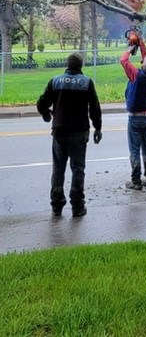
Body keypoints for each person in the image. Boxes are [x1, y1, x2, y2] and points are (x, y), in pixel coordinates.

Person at [37, 53, 102, 217]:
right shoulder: (86, 82)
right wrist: (98, 128)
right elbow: (94, 108)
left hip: (59, 131)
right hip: (79, 132)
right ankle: (77, 206)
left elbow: (42, 102)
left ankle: (57, 205)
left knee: (58, 169)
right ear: (81, 66)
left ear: (67, 64)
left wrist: (45, 113)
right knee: (78, 169)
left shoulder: (56, 81)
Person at [121, 36, 146, 190]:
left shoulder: (137, 75)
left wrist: (130, 50)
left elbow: (123, 61)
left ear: (142, 66)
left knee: (135, 150)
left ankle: (136, 181)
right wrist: (140, 43)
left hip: (135, 119)